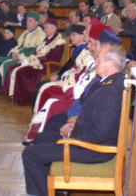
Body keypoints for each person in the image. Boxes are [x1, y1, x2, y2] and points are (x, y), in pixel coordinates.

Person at [22, 46, 126, 196]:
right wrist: (74, 123)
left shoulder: (109, 92)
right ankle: (51, 190)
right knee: (40, 139)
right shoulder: (109, 82)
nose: (95, 61)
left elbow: (98, 134)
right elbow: (92, 117)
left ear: (111, 63)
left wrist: (72, 132)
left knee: (30, 154)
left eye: (99, 59)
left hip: (93, 149)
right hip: (88, 140)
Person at [0, 12, 46, 92]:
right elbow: (19, 46)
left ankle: (8, 89)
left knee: (6, 64)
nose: (27, 22)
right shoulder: (26, 32)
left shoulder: (40, 34)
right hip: (18, 55)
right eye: (27, 20)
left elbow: (35, 50)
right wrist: (13, 53)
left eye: (30, 21)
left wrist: (19, 56)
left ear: (36, 22)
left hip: (27, 58)